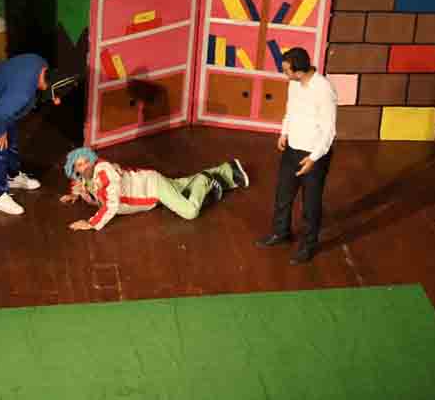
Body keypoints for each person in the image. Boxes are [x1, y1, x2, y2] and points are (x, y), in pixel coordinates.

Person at [0, 53, 79, 215]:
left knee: (11, 140)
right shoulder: (22, 93)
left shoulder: (40, 64)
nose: (57, 101)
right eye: (55, 95)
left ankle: (12, 175)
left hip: (0, 102)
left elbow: (6, 107)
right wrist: (0, 132)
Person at [255, 47, 338, 264]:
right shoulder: (294, 84)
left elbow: (329, 130)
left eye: (286, 70)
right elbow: (290, 111)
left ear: (298, 71)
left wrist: (314, 158)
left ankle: (308, 245)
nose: (284, 74)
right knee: (283, 195)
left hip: (314, 154)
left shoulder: (324, 89)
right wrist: (284, 133)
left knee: (310, 204)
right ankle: (281, 232)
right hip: (292, 149)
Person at [60, 146, 249, 231]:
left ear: (92, 160)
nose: (85, 166)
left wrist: (92, 223)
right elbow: (92, 191)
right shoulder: (86, 179)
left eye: (86, 161)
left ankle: (204, 179)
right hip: (151, 188)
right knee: (183, 185)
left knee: (190, 211)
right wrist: (78, 195)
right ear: (75, 170)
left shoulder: (104, 172)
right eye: (80, 165)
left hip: (153, 187)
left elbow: (111, 204)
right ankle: (231, 172)